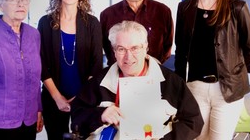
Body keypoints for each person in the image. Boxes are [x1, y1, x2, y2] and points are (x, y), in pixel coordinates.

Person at [174, 0, 250, 140]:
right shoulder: (185, 8)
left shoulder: (237, 7)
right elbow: (180, 50)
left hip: (227, 89)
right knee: (196, 137)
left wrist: (232, 69)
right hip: (195, 87)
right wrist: (180, 87)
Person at [70, 20, 204, 140]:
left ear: (145, 48)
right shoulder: (99, 81)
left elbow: (193, 121)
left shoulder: (170, 81)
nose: (128, 57)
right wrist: (101, 115)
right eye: (121, 49)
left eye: (134, 48)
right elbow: (76, 120)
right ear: (114, 51)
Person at [38, 0, 103, 140]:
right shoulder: (45, 22)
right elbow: (41, 62)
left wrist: (81, 97)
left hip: (85, 98)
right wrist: (57, 97)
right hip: (53, 97)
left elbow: (96, 64)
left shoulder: (92, 23)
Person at [0, 0, 43, 139]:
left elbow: (36, 79)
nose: (21, 4)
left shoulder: (33, 34)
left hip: (28, 122)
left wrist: (38, 109)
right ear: (1, 4)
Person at [100, 0, 174, 66]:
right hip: (119, 74)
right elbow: (106, 47)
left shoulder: (162, 11)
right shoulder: (107, 14)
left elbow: (167, 46)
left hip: (153, 74)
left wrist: (150, 66)